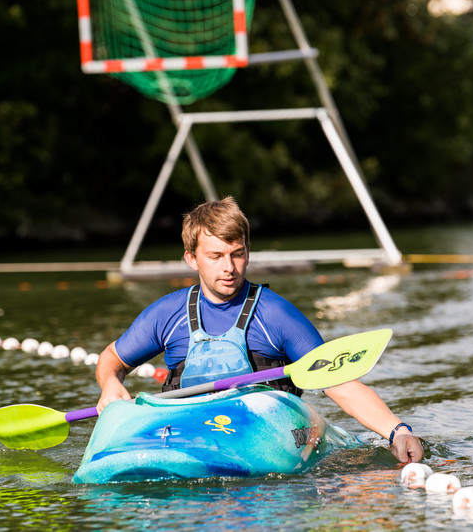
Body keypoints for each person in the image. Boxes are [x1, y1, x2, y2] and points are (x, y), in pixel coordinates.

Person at [96, 197, 424, 463]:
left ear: (247, 252)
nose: (229, 267)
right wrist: (110, 384)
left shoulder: (276, 314)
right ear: (192, 259)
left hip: (257, 435)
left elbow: (337, 382)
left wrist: (398, 431)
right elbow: (113, 358)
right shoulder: (166, 314)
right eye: (216, 256)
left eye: (237, 254)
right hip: (187, 431)